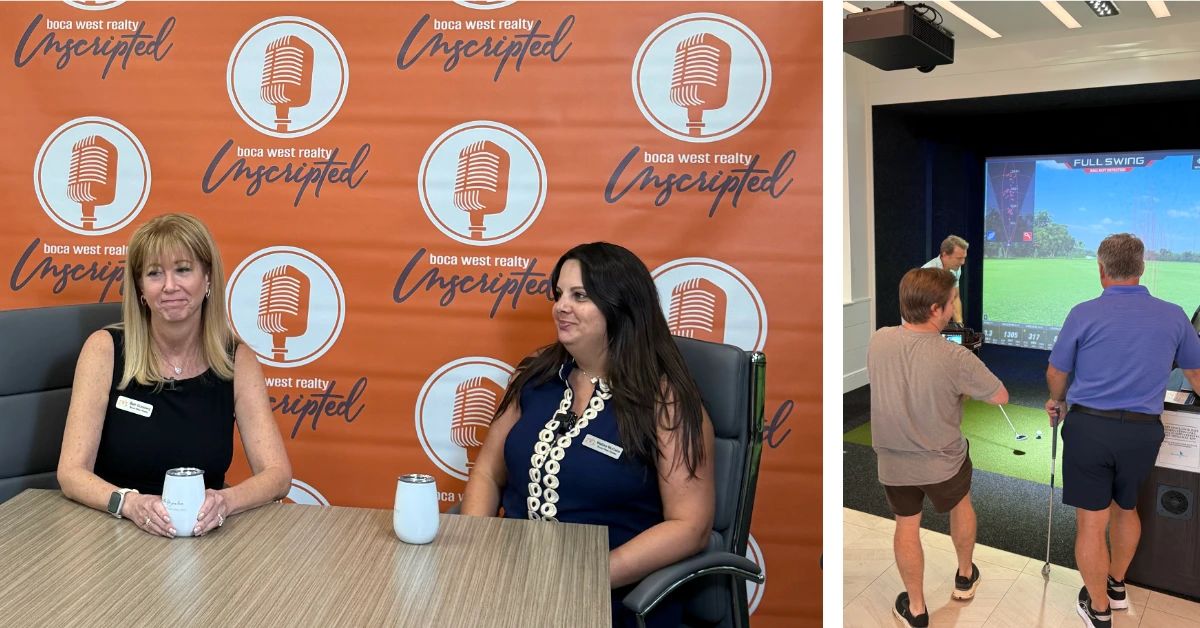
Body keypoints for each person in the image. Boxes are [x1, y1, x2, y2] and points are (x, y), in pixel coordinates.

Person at [460, 242, 715, 628]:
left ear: (621, 307)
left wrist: (581, 580)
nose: (561, 306)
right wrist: (476, 553)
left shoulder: (667, 402)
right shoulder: (534, 376)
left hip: (611, 597)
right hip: (510, 587)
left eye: (579, 296)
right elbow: (487, 473)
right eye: (559, 294)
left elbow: (689, 528)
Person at [57, 213, 291, 538]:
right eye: (155, 273)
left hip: (202, 535)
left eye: (183, 269)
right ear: (140, 287)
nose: (170, 286)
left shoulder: (237, 360)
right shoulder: (104, 351)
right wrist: (129, 504)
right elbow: (70, 473)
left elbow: (278, 474)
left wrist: (225, 501)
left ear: (207, 278)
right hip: (112, 531)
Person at [1045, 233, 1200, 628]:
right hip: (1143, 433)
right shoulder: (1174, 314)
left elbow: (1056, 372)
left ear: (1101, 270)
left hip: (1088, 430)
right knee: (1125, 509)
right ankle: (1116, 586)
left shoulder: (1082, 312)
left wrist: (1056, 400)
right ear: (1142, 268)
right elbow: (1197, 374)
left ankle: (1098, 609)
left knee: (1092, 523)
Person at [867, 267, 1009, 628]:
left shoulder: (878, 339)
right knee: (961, 506)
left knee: (906, 525)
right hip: (943, 460)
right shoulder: (955, 357)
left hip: (893, 462)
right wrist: (962, 379)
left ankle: (916, 609)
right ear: (935, 309)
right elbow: (999, 396)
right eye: (951, 302)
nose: (954, 306)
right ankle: (965, 576)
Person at [922, 235, 969, 325]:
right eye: (959, 258)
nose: (963, 262)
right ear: (945, 255)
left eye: (964, 258)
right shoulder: (927, 272)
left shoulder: (955, 268)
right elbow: (921, 309)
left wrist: (959, 325)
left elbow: (955, 297)